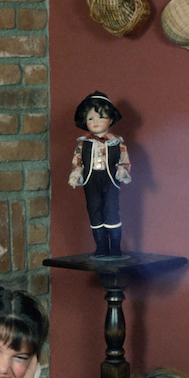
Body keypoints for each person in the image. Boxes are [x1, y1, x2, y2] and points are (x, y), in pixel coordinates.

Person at [68, 90, 131, 257]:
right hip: (91, 180)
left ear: (111, 119)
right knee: (94, 209)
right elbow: (78, 162)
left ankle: (115, 248)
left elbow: (123, 160)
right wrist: (76, 174)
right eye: (90, 118)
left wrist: (123, 170)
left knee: (111, 209)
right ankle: (101, 247)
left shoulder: (117, 142)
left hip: (110, 180)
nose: (95, 122)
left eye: (101, 117)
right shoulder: (83, 144)